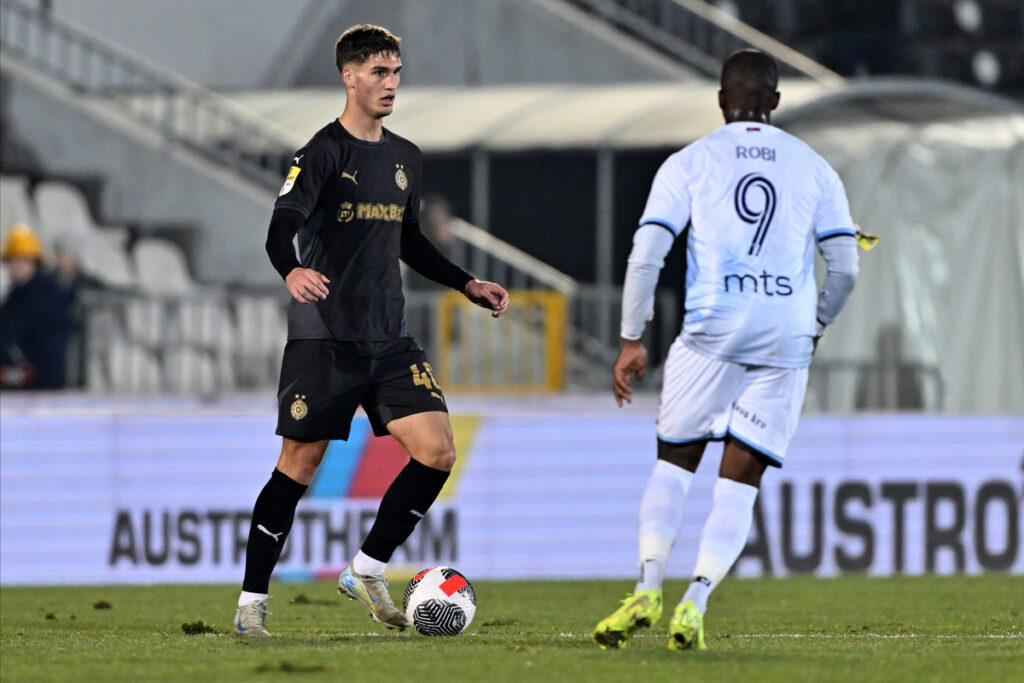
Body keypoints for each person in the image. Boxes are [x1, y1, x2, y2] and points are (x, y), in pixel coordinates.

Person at [233, 25, 509, 637]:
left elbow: (410, 241)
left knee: (437, 451)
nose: (391, 83)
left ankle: (366, 567)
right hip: (325, 337)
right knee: (297, 469)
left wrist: (467, 283)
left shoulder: (406, 157)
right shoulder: (321, 153)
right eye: (379, 72)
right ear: (349, 76)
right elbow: (282, 225)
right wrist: (292, 268)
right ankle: (251, 602)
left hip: (389, 338)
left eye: (396, 72)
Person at [592, 49, 859, 652]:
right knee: (740, 482)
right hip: (786, 331)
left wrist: (633, 338)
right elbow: (845, 267)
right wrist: (815, 324)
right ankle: (697, 601)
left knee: (674, 465)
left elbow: (646, 256)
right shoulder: (813, 166)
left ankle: (649, 585)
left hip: (713, 329)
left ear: (720, 100)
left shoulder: (690, 163)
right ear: (776, 102)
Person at [0, 222, 72, 389]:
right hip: (19, 377)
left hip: (41, 380)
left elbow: (51, 346)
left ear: (35, 263)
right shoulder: (13, 298)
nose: (17, 266)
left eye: (24, 260)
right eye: (13, 260)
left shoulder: (48, 295)